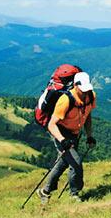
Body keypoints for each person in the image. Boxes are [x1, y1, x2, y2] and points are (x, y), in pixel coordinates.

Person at [37, 71, 97, 204]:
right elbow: (52, 124)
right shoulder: (65, 100)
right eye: (82, 90)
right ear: (75, 85)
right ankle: (74, 195)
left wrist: (89, 135)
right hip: (61, 133)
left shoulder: (91, 96)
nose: (85, 92)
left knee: (64, 162)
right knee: (76, 162)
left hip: (75, 133)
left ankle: (45, 191)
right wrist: (62, 140)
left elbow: (88, 116)